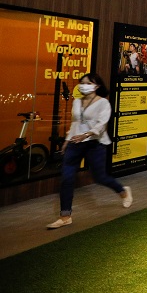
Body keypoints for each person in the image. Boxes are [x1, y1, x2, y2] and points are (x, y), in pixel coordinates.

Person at [47, 73, 132, 229]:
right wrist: (67, 140)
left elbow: (101, 125)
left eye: (87, 83)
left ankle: (122, 191)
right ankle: (65, 216)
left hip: (95, 143)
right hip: (75, 143)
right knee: (67, 178)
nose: (83, 85)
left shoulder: (103, 103)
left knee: (99, 177)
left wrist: (86, 134)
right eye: (81, 83)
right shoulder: (77, 102)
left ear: (96, 86)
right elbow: (75, 123)